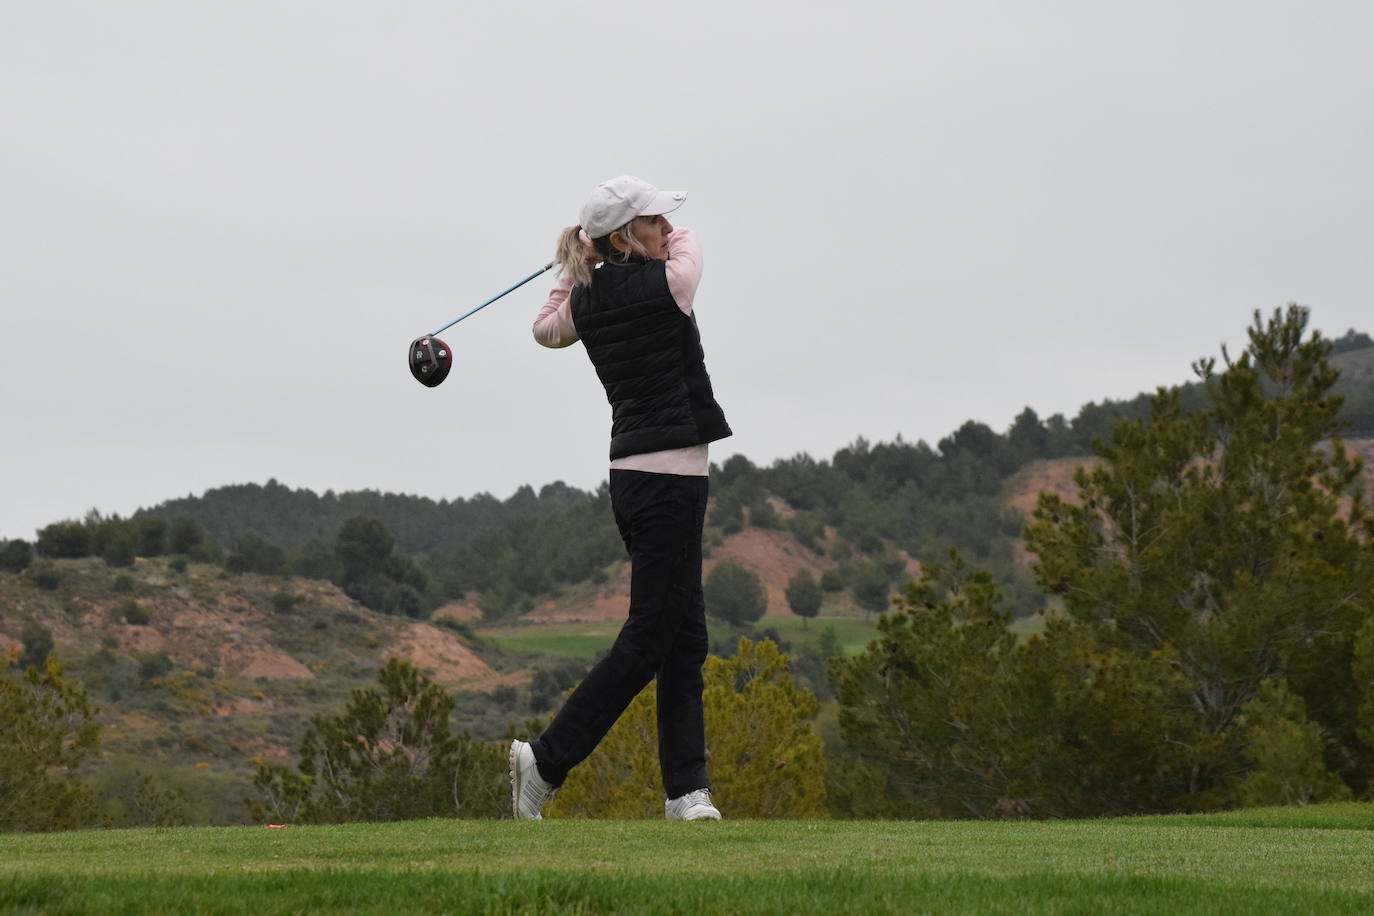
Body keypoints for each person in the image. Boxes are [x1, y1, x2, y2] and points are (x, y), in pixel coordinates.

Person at [509, 176, 732, 821]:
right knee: (649, 638)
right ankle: (546, 763)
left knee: (684, 637)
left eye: (666, 221)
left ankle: (687, 793)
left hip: (639, 479)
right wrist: (598, 247)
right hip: (668, 481)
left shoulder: (584, 299)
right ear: (627, 236)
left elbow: (544, 328)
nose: (669, 229)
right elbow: (690, 249)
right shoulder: (668, 281)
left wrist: (576, 260)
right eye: (655, 221)